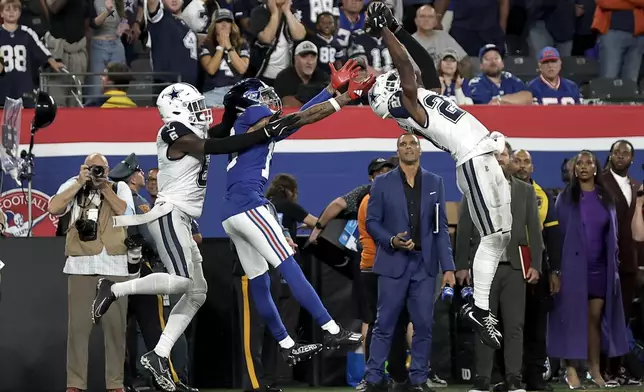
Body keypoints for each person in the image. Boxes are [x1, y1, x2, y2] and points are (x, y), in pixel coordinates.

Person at [90, 81, 302, 392]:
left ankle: (159, 354)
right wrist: (264, 134)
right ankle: (114, 288)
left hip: (183, 217)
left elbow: (222, 131)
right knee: (181, 282)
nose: (201, 112)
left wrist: (230, 108)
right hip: (168, 212)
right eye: (194, 106)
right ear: (175, 110)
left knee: (197, 292)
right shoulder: (172, 132)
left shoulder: (191, 131)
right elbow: (215, 146)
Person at [364, 2, 510, 349]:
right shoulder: (410, 107)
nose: (398, 77)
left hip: (483, 154)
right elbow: (405, 66)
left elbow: (423, 65)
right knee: (492, 237)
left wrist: (398, 28)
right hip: (472, 160)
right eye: (393, 82)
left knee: (502, 236)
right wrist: (385, 32)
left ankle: (480, 307)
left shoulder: (420, 97)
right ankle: (478, 307)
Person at [219, 62, 374, 364]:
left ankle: (287, 344)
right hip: (249, 204)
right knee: (289, 264)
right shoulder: (252, 120)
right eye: (261, 97)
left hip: (230, 212)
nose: (268, 102)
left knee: (260, 281)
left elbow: (299, 121)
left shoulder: (252, 131)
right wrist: (344, 98)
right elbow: (304, 117)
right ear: (248, 105)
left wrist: (329, 90)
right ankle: (331, 328)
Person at [363, 133, 455, 392]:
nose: (408, 147)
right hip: (393, 262)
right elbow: (372, 222)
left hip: (424, 265)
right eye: (403, 144)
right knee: (384, 324)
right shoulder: (381, 183)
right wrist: (391, 240)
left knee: (424, 325)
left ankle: (418, 378)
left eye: (412, 143)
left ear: (420, 149)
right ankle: (373, 378)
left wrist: (447, 267)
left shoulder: (436, 182)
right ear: (398, 150)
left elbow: (441, 228)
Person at [456, 143, 543, 392]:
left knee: (515, 326)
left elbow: (534, 232)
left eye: (503, 154)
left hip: (515, 269)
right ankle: (482, 379)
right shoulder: (474, 190)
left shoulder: (526, 191)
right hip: (484, 269)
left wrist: (536, 265)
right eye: (494, 155)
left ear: (509, 159)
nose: (499, 159)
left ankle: (514, 378)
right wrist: (461, 265)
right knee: (484, 324)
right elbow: (464, 229)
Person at [109, 154, 198, 392]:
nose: (146, 179)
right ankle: (165, 379)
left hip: (118, 268)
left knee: (124, 329)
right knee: (156, 327)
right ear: (133, 177)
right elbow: (149, 238)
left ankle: (128, 381)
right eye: (142, 174)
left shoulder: (120, 198)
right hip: (144, 268)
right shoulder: (139, 202)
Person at [47, 153, 134, 392]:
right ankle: (75, 384)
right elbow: (53, 208)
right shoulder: (73, 183)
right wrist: (78, 183)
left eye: (101, 169)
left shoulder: (120, 186)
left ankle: (115, 384)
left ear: (108, 170)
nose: (97, 173)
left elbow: (127, 215)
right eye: (93, 168)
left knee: (116, 329)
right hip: (81, 264)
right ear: (85, 167)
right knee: (78, 329)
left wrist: (104, 187)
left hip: (114, 264)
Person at [549, 150, 629, 389]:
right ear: (574, 170)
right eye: (579, 163)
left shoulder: (606, 198)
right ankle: (571, 369)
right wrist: (556, 270)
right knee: (573, 319)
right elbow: (557, 236)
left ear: (596, 168)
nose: (583, 167)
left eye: (589, 163)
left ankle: (594, 370)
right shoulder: (565, 198)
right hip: (572, 268)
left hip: (600, 269)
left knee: (594, 319)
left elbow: (612, 236)